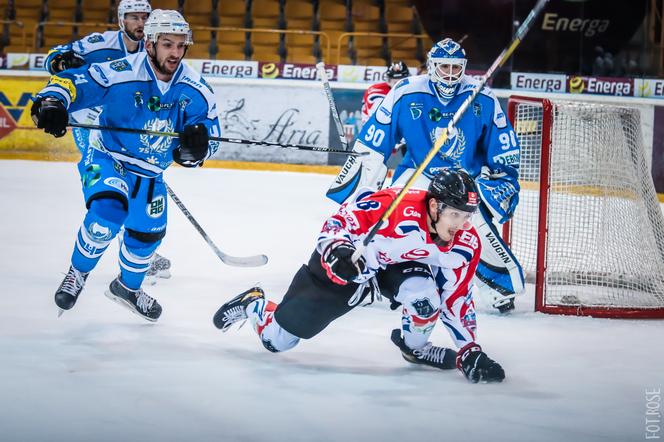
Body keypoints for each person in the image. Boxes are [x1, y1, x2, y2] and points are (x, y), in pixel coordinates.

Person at [213, 169, 505, 383]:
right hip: (351, 266)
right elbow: (338, 222)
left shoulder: (465, 244)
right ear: (434, 206)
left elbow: (455, 298)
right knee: (277, 341)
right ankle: (256, 305)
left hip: (394, 267)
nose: (462, 224)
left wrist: (468, 349)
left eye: (467, 216)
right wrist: (339, 250)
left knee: (425, 298)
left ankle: (416, 349)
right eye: (455, 215)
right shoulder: (394, 208)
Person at [32, 10, 220, 321]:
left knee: (146, 237)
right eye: (167, 44)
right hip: (109, 157)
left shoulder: (197, 89)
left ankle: (127, 288)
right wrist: (52, 101)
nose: (175, 52)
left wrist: (197, 149)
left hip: (150, 173)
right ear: (150, 44)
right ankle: (77, 273)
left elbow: (210, 132)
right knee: (108, 212)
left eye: (180, 45)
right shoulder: (121, 71)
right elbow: (73, 82)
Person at [326, 38, 524, 313]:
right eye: (444, 67)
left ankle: (498, 288)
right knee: (392, 212)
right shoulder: (406, 92)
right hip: (419, 171)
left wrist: (499, 180)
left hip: (464, 177)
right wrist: (360, 187)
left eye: (456, 68)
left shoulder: (482, 97)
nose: (451, 74)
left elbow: (503, 149)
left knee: (474, 226)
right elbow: (375, 142)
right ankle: (372, 272)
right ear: (432, 67)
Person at [44, 0, 172, 281]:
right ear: (120, 20)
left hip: (128, 124)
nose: (140, 23)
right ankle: (113, 237)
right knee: (116, 184)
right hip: (90, 121)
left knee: (139, 184)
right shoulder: (99, 43)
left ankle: (133, 241)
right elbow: (54, 57)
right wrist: (61, 61)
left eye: (145, 17)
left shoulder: (156, 50)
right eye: (134, 17)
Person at [360, 60, 410, 125]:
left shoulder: (410, 91)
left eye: (402, 82)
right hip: (372, 129)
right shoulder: (377, 92)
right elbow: (378, 119)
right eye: (395, 82)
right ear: (389, 81)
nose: (399, 85)